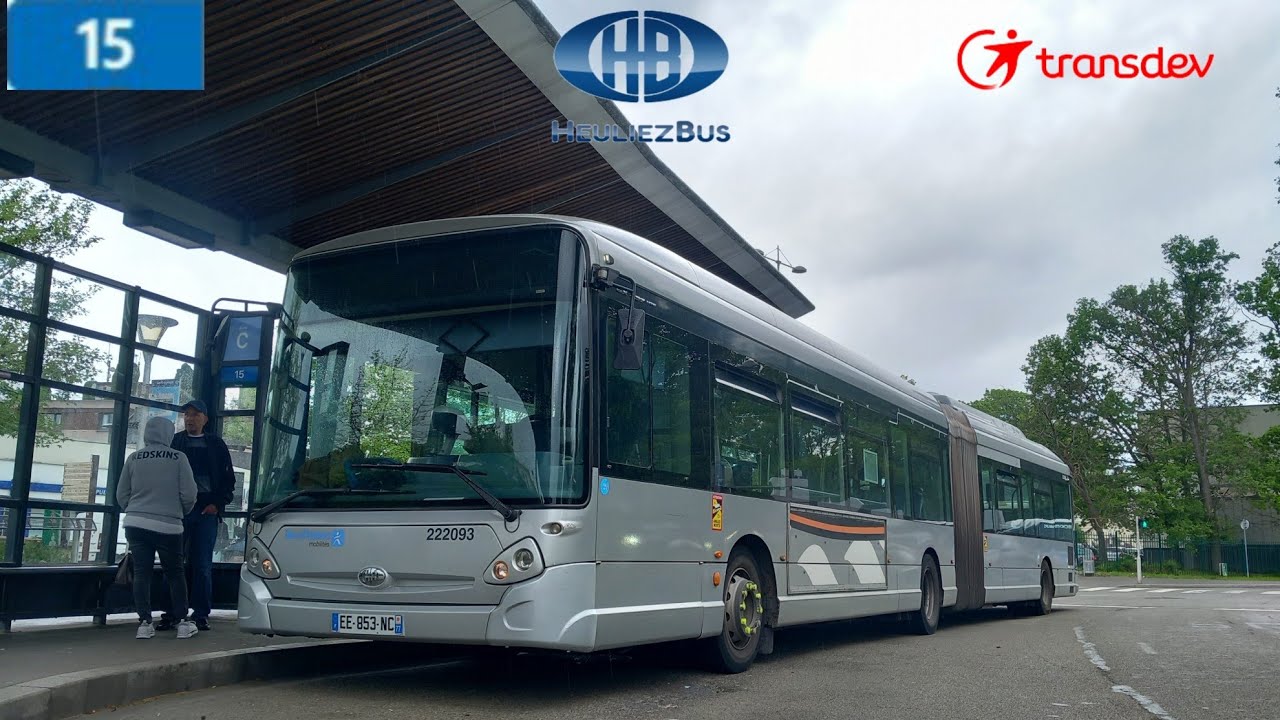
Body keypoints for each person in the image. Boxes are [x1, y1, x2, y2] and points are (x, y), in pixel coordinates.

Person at [115, 416, 200, 639]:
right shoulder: (178, 458)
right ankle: (182, 622)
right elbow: (189, 494)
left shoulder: (134, 458)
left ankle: (144, 623)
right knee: (175, 573)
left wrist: (134, 509)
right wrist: (180, 512)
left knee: (142, 573)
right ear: (168, 435)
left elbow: (121, 494)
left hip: (136, 523)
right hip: (169, 525)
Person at [163, 399, 236, 632]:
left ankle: (201, 613)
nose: (189, 418)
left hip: (206, 511)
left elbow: (228, 480)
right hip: (179, 511)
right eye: (186, 414)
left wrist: (216, 504)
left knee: (202, 563)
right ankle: (174, 612)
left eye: (195, 414)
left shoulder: (216, 444)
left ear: (205, 418)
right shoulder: (176, 442)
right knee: (174, 564)